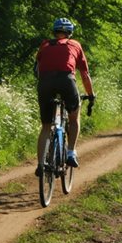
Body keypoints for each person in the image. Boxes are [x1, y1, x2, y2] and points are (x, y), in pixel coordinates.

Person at [35, 17, 95, 176]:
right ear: (70, 32)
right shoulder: (75, 44)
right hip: (66, 81)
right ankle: (70, 153)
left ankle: (40, 164)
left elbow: (37, 68)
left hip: (45, 82)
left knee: (46, 126)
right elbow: (84, 74)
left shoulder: (45, 44)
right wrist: (91, 95)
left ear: (55, 32)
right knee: (74, 118)